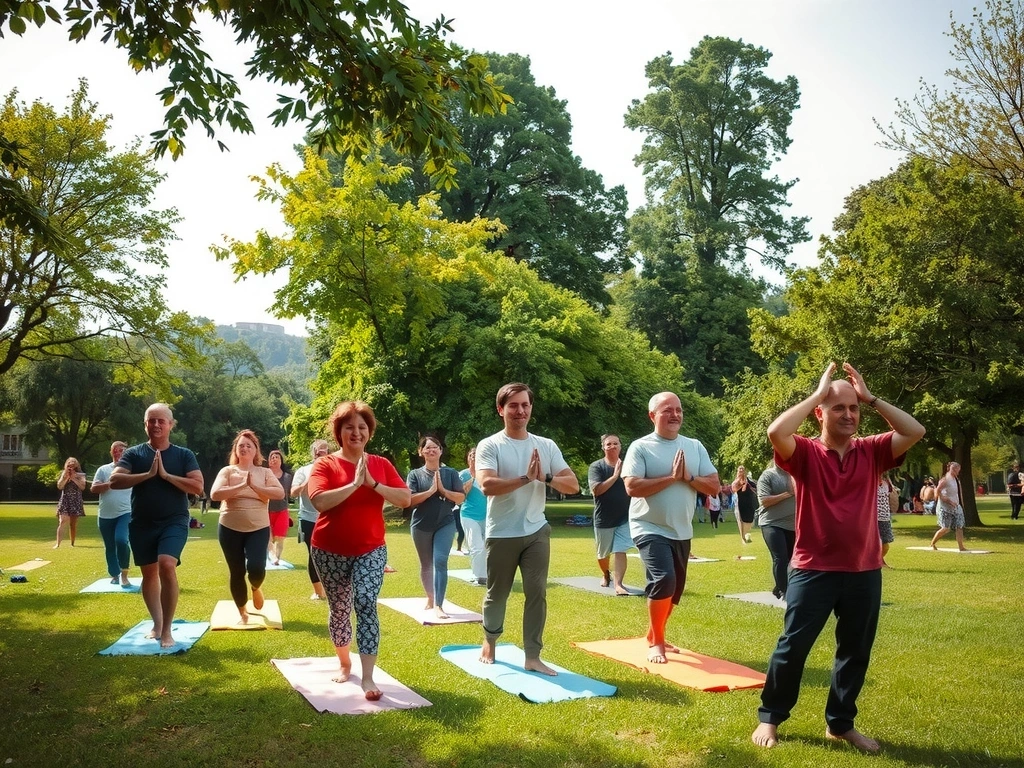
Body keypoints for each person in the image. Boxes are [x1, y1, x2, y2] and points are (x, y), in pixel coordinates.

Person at [751, 362, 925, 753]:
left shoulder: (873, 450)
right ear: (820, 413)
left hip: (864, 569)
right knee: (793, 647)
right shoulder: (805, 452)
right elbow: (776, 431)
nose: (849, 415)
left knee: (854, 651)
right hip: (813, 569)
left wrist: (872, 399)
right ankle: (771, 718)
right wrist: (818, 393)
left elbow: (914, 431)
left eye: (854, 408)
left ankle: (841, 724)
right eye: (838, 408)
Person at [307, 401, 411, 700]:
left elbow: (404, 499)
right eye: (349, 427)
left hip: (371, 549)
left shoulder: (380, 464)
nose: (356, 432)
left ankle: (368, 678)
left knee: (365, 601)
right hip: (328, 550)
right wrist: (354, 484)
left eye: (362, 427)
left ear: (369, 432)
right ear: (339, 432)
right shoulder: (325, 464)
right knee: (339, 607)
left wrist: (372, 483)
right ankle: (344, 663)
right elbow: (320, 502)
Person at [475, 382, 579, 676]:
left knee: (537, 592)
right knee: (497, 594)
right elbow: (486, 485)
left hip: (536, 531)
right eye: (513, 406)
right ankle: (490, 640)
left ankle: (532, 655)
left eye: (525, 405)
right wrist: (525, 478)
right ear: (501, 410)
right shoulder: (490, 445)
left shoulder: (546, 445)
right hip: (502, 533)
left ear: (531, 408)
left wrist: (544, 476)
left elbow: (572, 485)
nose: (520, 411)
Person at [622, 392, 719, 664]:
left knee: (674, 590)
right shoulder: (640, 447)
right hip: (648, 526)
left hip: (681, 530)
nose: (675, 415)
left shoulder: (695, 446)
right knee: (664, 579)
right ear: (652, 416)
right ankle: (658, 644)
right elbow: (632, 487)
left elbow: (713, 485)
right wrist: (671, 478)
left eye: (678, 410)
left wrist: (688, 477)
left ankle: (654, 634)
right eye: (667, 410)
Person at [110, 403, 204, 647]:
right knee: (149, 573)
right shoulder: (134, 454)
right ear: (145, 425)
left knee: (166, 564)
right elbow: (115, 480)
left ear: (170, 425)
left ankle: (168, 629)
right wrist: (147, 475)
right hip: (141, 522)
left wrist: (166, 476)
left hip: (174, 520)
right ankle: (158, 624)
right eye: (151, 421)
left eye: (161, 421)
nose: (156, 425)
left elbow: (198, 486)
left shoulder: (183, 455)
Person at [209, 430, 284, 623]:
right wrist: (241, 485)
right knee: (237, 571)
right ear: (235, 450)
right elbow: (215, 494)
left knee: (257, 568)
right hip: (229, 528)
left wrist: (255, 487)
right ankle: (242, 611)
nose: (244, 448)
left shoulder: (264, 472)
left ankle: (256, 587)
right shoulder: (227, 471)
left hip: (258, 529)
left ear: (255, 451)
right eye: (240, 445)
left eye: (248, 445)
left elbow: (279, 493)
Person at [404, 436, 465, 619]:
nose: (431, 450)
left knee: (440, 561)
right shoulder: (414, 475)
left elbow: (460, 498)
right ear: (421, 452)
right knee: (426, 564)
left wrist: (444, 491)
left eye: (435, 447)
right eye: (427, 447)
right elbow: (409, 500)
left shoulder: (451, 473)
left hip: (445, 523)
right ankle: (430, 598)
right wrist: (431, 491)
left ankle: (439, 604)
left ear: (440, 450)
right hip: (421, 525)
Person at [588, 433, 632, 595]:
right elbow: (597, 490)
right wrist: (615, 476)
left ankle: (619, 584)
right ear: (603, 447)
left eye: (615, 443)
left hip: (625, 517)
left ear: (620, 446)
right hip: (604, 519)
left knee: (620, 550)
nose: (612, 446)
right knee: (603, 554)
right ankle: (606, 574)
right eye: (608, 444)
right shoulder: (597, 467)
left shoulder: (629, 465)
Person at [291, 439, 331, 600]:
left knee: (331, 554)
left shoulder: (333, 468)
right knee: (314, 554)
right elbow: (293, 492)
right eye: (317, 450)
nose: (320, 453)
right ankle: (318, 591)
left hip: (329, 518)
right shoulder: (303, 470)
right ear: (313, 452)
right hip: (308, 518)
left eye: (324, 450)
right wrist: (308, 481)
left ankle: (332, 589)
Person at [91, 441, 133, 584]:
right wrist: (110, 484)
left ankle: (125, 574)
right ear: (111, 453)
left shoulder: (131, 470)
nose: (117, 453)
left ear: (125, 453)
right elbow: (94, 488)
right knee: (110, 546)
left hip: (125, 513)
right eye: (114, 450)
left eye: (121, 450)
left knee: (121, 540)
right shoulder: (103, 470)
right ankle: (114, 575)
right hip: (105, 515)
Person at [756, 460, 796, 600]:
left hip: (792, 525)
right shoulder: (768, 476)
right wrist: (788, 493)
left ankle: (779, 587)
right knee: (781, 557)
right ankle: (784, 592)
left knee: (793, 559)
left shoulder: (796, 474)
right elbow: (764, 500)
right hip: (772, 523)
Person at [459, 446, 487, 585]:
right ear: (468, 458)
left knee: (488, 546)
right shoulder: (463, 475)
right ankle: (479, 576)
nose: (474, 457)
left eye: (476, 454)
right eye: (471, 455)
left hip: (487, 515)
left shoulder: (487, 473)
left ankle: (488, 574)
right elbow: (461, 495)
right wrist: (472, 478)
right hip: (469, 515)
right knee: (477, 546)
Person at [930, 462, 967, 551]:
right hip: (945, 507)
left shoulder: (956, 480)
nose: (957, 471)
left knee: (959, 526)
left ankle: (961, 547)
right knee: (945, 528)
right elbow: (937, 491)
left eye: (958, 470)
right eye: (955, 469)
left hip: (956, 506)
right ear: (951, 469)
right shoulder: (945, 480)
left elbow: (958, 493)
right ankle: (932, 543)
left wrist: (960, 503)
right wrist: (947, 500)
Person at [266, 449, 293, 566]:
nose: (274, 459)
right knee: (268, 536)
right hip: (266, 510)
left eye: (277, 457)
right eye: (272, 457)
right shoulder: (265, 474)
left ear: (281, 461)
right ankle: (272, 556)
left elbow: (291, 493)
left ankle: (276, 558)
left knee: (280, 536)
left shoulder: (287, 477)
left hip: (282, 510)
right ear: (269, 461)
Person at [54, 457, 87, 548]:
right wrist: (66, 477)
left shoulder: (81, 475)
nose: (71, 466)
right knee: (62, 521)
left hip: (76, 500)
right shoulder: (63, 474)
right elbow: (60, 486)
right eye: (69, 464)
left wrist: (73, 478)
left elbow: (82, 487)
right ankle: (58, 544)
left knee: (73, 524)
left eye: (73, 464)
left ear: (76, 465)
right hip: (65, 499)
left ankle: (72, 543)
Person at [877, 472, 898, 567]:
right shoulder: (870, 484)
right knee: (876, 543)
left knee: (885, 545)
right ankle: (879, 562)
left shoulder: (886, 484)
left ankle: (878, 561)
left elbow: (893, 493)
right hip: (874, 517)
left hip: (885, 517)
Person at [732, 465, 757, 544]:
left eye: (743, 469)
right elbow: (736, 489)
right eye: (740, 469)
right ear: (737, 471)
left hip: (749, 501)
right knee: (740, 520)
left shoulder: (749, 480)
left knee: (750, 521)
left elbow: (755, 487)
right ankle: (742, 538)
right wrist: (743, 484)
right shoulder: (736, 481)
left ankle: (745, 534)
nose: (741, 470)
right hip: (740, 502)